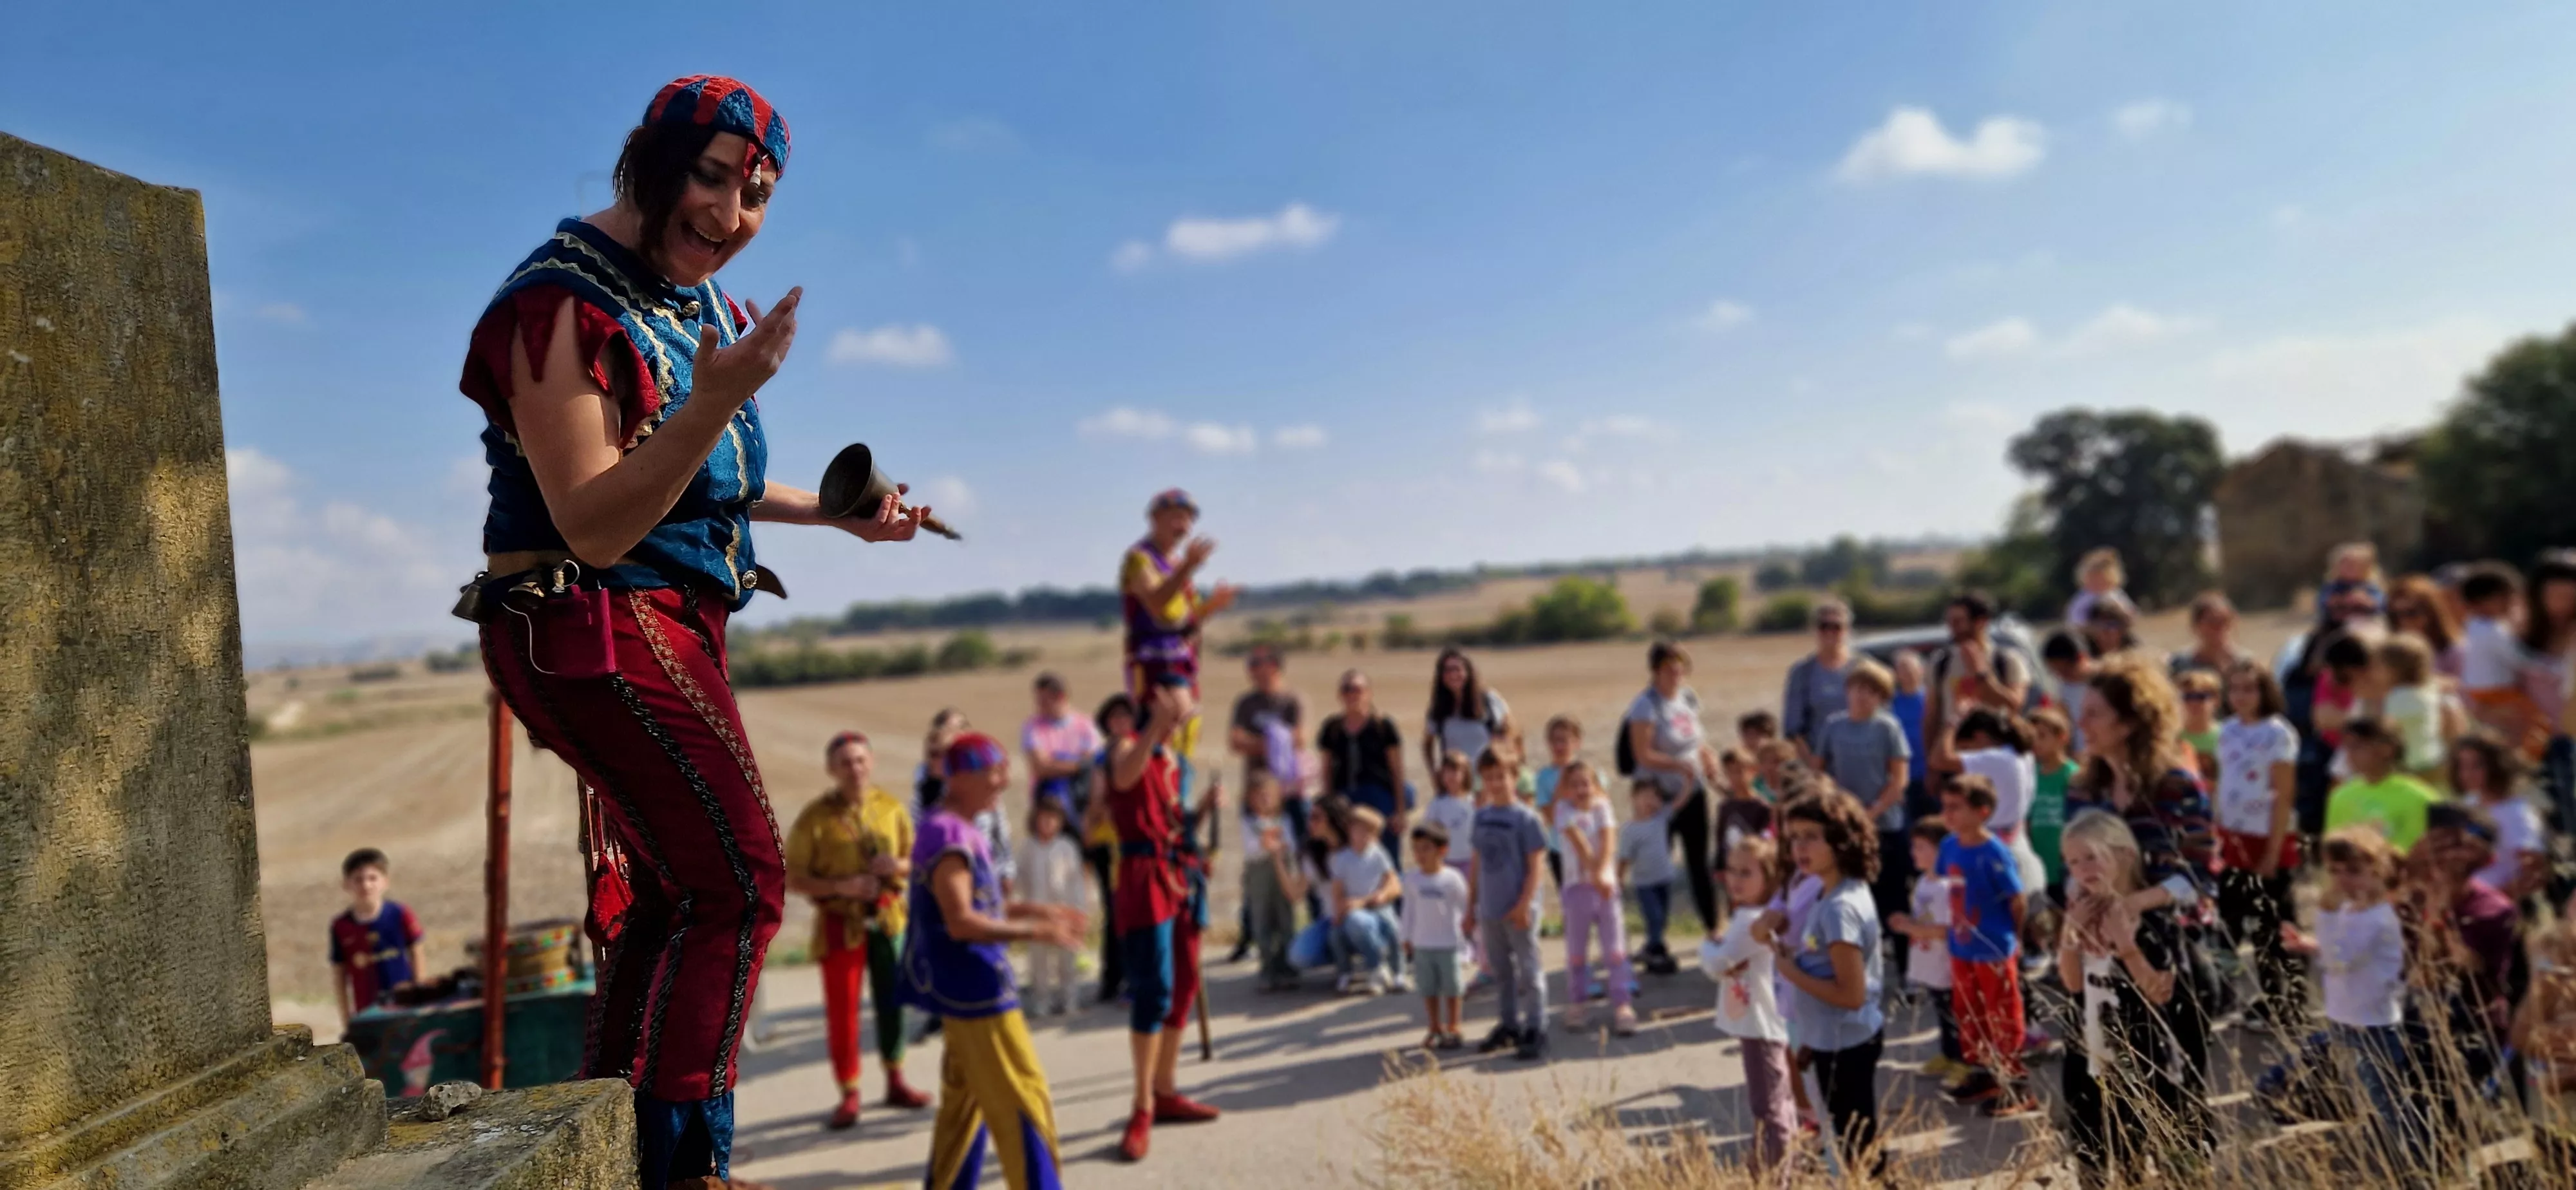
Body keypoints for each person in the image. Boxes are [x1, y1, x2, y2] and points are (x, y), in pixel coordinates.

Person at [459, 76, 933, 1188]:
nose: (731, 216)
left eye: (758, 194)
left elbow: (700, 485)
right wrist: (718, 398)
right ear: (651, 163)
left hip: (672, 618)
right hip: (590, 619)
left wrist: (840, 517)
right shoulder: (561, 305)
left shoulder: (708, 311)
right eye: (713, 179)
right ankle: (686, 1167)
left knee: (682, 893)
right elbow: (598, 516)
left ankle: (618, 1147)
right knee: (741, 884)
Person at [900, 733, 1080, 1190]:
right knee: (1022, 1095)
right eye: (993, 772)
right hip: (975, 989)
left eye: (1004, 769)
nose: (1004, 780)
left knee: (965, 1103)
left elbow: (985, 909)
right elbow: (961, 922)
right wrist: (1036, 932)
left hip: (968, 985)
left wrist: (1038, 911)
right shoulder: (946, 833)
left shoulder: (962, 826)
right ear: (959, 778)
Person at [1099, 686, 1222, 1162]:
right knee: (1154, 989)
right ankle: (1142, 1104)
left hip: (1180, 874)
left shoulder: (1176, 760)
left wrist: (1206, 811)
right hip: (1144, 878)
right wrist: (1153, 727)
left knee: (1186, 984)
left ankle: (1166, 1088)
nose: (1181, 717)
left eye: (1185, 710)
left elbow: (1177, 821)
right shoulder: (1127, 746)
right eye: (1175, 708)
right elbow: (1127, 780)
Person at [783, 732, 928, 1129]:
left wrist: (894, 867)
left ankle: (896, 1078)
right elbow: (793, 878)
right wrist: (841, 887)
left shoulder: (891, 808)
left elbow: (916, 860)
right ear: (832, 769)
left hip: (887, 920)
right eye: (845, 762)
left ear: (872, 762)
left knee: (893, 1002)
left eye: (861, 760)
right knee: (843, 1012)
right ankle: (850, 1093)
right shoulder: (816, 818)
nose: (855, 769)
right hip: (838, 923)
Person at [2056, 811, 2202, 1189]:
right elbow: (2073, 986)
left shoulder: (2153, 918)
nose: (2081, 868)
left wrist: (2126, 946)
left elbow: (2159, 992)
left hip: (2149, 1055)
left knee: (2172, 1156)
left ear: (2123, 855)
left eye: (2090, 856)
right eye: (2072, 861)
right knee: (2099, 1154)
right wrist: (2069, 937)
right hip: (2092, 1054)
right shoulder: (2081, 912)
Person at [2280, 827, 2424, 1180]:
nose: (2342, 880)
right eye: (2335, 871)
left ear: (2377, 870)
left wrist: (2325, 916)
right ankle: (2389, 1154)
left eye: (2353, 871)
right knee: (2368, 1093)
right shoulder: (2353, 909)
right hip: (2347, 1016)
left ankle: (2414, 1167)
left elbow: (2340, 959)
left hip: (2373, 1023)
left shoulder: (2377, 916)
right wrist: (2312, 944)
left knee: (2386, 1100)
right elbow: (2340, 952)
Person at [1771, 791, 1887, 1180]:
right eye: (1793, 837)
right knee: (1853, 1140)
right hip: (1831, 1039)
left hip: (1847, 1044)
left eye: (1811, 836)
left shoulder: (1840, 908)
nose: (1799, 847)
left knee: (1859, 1149)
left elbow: (1851, 995)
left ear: (1841, 839)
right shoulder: (1830, 889)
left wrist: (1791, 973)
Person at [1119, 488, 1240, 790]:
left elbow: (1188, 618)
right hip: (1153, 660)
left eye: (1188, 520)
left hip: (1181, 659)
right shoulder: (1139, 560)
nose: (1184, 527)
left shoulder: (1175, 563)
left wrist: (1212, 605)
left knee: (1185, 727)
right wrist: (1188, 567)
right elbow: (1157, 603)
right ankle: (1157, 789)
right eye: (1176, 518)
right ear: (1154, 519)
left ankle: (1177, 795)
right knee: (1168, 722)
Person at [1934, 775, 2036, 1115]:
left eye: (1956, 808)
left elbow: (2016, 899)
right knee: (1968, 1011)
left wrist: (2014, 938)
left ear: (1982, 812)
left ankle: (2015, 1082)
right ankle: (1983, 1073)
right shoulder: (1948, 846)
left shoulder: (1995, 852)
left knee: (2001, 1011)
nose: (1947, 815)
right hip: (1960, 946)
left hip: (1993, 947)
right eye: (1945, 807)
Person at [2213, 662, 2305, 1033]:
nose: (2241, 696)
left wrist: (2271, 851)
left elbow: (2283, 795)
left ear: (2264, 691)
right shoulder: (2228, 731)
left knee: (2272, 925)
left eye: (2249, 689)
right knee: (2231, 920)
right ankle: (2227, 994)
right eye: (2234, 689)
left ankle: (2285, 1003)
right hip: (2233, 836)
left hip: (2268, 837)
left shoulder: (2278, 734)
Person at [1022, 679, 1117, 1002]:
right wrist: (1077, 764)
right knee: (1053, 888)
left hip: (1086, 816)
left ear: (1061, 697)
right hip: (1052, 818)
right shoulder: (1032, 727)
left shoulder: (1084, 725)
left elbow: (1093, 765)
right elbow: (1040, 766)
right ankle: (1054, 961)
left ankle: (1091, 959)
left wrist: (1062, 765)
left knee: (1091, 890)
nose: (1040, 707)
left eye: (1045, 700)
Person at [1703, 836, 1792, 1176]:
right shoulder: (1753, 916)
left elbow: (1717, 963)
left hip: (1760, 1024)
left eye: (1746, 872)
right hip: (1761, 1020)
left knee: (1767, 1104)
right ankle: (1773, 1164)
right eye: (1731, 871)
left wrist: (1707, 946)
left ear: (1768, 879)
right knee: (1776, 1100)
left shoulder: (1747, 922)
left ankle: (1775, 1173)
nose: (1735, 880)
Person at [1814, 658, 1911, 959]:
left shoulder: (1888, 728)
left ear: (1881, 698)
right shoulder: (1833, 726)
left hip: (1884, 825)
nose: (1862, 696)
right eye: (1857, 688)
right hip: (1844, 825)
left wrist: (1872, 812)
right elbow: (1819, 772)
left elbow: (1899, 779)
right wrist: (1837, 803)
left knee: (1892, 894)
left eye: (1871, 691)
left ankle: (1907, 967)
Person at [1626, 641, 1722, 936]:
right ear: (1655, 671)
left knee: (1698, 863)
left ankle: (1713, 927)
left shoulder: (1688, 699)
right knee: (1657, 866)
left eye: (1680, 668)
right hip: (1659, 797)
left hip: (1693, 793)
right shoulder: (1645, 706)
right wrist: (1679, 766)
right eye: (1669, 669)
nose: (1676, 674)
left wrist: (1708, 758)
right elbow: (1642, 754)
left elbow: (1696, 739)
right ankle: (1657, 935)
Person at [1225, 644, 1307, 960]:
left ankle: (1293, 935)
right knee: (1255, 866)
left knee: (1294, 860)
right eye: (1251, 664)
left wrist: (1258, 743)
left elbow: (1299, 739)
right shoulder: (1245, 703)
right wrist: (1275, 742)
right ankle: (1250, 934)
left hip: (1287, 795)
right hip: (1254, 795)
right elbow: (1235, 742)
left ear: (1276, 666)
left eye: (1261, 664)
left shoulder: (1291, 700)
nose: (1255, 670)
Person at [1468, 748, 1551, 1061]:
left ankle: (1536, 1026)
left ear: (1514, 777)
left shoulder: (1526, 818)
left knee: (1529, 970)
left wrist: (1525, 904)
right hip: (1490, 909)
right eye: (1489, 778)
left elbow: (1536, 865)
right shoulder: (1482, 817)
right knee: (1501, 972)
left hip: (1518, 910)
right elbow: (1477, 863)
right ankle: (1508, 1023)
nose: (1495, 783)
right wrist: (1470, 906)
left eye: (1501, 776)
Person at [1552, 762, 1638, 1035]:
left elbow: (1608, 839)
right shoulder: (1563, 811)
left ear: (1595, 785)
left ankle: (1622, 1004)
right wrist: (1595, 872)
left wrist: (1603, 874)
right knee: (1577, 952)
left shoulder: (1603, 807)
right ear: (1566, 789)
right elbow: (1579, 842)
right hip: (1578, 889)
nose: (1581, 789)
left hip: (1605, 891)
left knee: (1614, 949)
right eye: (1574, 784)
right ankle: (1578, 1003)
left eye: (1585, 783)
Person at [1890, 819, 1965, 1088]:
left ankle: (1963, 1061)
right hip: (1929, 962)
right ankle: (1947, 1054)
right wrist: (1906, 922)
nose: (1914, 853)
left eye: (1921, 847)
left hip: (1946, 963)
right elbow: (1924, 918)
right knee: (1941, 1010)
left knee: (1954, 1013)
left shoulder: (1947, 887)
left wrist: (1914, 927)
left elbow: (1948, 930)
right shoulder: (1923, 882)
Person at [1926, 590, 2035, 775]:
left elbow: (2014, 706)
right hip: (1954, 761)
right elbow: (1931, 716)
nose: (1952, 628)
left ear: (1981, 622)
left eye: (1959, 622)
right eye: (1950, 622)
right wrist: (1932, 767)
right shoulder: (1941, 663)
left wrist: (1981, 675)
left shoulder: (2007, 661)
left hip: (1998, 761)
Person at [921, 709, 1015, 898]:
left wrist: (1006, 872)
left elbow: (1001, 836)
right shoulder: (938, 819)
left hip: (988, 877)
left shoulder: (981, 800)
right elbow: (961, 917)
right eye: (934, 755)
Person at [1318, 669, 1406, 865]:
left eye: (1357, 689)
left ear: (1368, 692)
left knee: (1386, 857)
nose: (1352, 695)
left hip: (1379, 797)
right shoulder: (1331, 728)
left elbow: (1397, 770)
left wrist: (1399, 810)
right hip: (1344, 799)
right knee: (1347, 855)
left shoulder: (1383, 726)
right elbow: (1326, 771)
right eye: (1347, 689)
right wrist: (1328, 807)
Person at [330, 848, 422, 1028]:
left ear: (385, 882)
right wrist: (346, 1017)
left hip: (403, 1006)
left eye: (373, 878)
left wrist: (419, 996)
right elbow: (339, 974)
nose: (366, 885)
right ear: (346, 884)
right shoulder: (341, 926)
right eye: (358, 879)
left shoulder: (400, 915)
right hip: (367, 1012)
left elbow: (417, 953)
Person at [2452, 735, 2547, 903]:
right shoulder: (2468, 803)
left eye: (2477, 766)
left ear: (2496, 766)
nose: (2467, 774)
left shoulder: (2517, 814)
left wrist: (2492, 901)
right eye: (2462, 766)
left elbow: (2535, 875)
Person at [1401, 823, 1471, 1050]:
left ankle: (1454, 1026)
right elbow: (1408, 910)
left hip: (1448, 943)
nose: (1420, 854)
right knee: (1428, 989)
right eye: (1416, 849)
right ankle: (1434, 1027)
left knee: (1452, 987)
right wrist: (1406, 936)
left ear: (1442, 850)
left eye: (1426, 848)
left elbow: (1466, 906)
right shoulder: (1412, 880)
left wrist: (1472, 934)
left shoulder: (1453, 879)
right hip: (1423, 944)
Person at [2325, 718, 2441, 853]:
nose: (2349, 755)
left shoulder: (2421, 797)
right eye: (2347, 747)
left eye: (2357, 746)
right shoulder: (2339, 796)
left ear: (2387, 749)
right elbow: (2332, 850)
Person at [1018, 798, 1086, 1017]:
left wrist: (1079, 910)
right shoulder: (1028, 848)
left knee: (1067, 960)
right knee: (1039, 962)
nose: (1048, 823)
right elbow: (1021, 879)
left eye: (1053, 819)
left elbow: (1076, 881)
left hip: (1065, 912)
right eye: (1043, 818)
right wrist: (1023, 908)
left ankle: (1069, 1000)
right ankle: (1041, 1002)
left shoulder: (1067, 847)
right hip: (1038, 913)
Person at [1327, 805, 1405, 994]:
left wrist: (1381, 894)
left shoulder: (1378, 854)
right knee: (1341, 931)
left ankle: (1398, 972)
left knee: (1394, 927)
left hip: (1377, 905)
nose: (1362, 836)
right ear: (1350, 831)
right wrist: (1339, 910)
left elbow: (1392, 880)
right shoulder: (1342, 859)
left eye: (1368, 831)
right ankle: (1357, 971)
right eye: (1358, 830)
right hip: (1354, 909)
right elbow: (1337, 891)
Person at [2527, 550, 2576, 835]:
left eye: (2569, 598)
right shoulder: (2519, 634)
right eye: (2553, 597)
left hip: (2569, 746)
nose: (2560, 606)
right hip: (2530, 746)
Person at [1240, 774, 1302, 991]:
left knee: (1286, 918)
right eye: (1259, 796)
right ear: (1250, 799)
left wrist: (1279, 847)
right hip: (1259, 876)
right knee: (1262, 920)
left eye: (1269, 795)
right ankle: (1268, 968)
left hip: (1283, 874)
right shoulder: (1249, 823)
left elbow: (1291, 846)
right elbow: (1251, 849)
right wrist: (1267, 845)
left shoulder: (1284, 821)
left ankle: (1288, 966)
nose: (1265, 799)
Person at [1782, 598, 1856, 759]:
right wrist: (1814, 767)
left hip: (1860, 760)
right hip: (1818, 762)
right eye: (1824, 626)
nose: (1830, 632)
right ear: (1815, 630)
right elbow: (1793, 730)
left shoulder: (1863, 669)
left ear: (1847, 630)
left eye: (1836, 627)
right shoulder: (1802, 672)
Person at [1619, 784, 1680, 976]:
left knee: (1662, 919)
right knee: (1653, 917)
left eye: (1654, 797)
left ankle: (1651, 946)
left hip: (1664, 878)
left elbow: (1680, 802)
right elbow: (1624, 858)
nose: (1649, 802)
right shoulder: (1630, 829)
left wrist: (1687, 781)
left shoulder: (1661, 819)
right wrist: (1618, 878)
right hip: (1645, 883)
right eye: (1644, 796)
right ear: (1633, 798)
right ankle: (1656, 952)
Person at [1424, 648, 1513, 775]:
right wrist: (1435, 775)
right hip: (1457, 784)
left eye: (1457, 669)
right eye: (1447, 670)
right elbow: (1428, 744)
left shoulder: (1489, 701)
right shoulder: (1438, 709)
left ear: (1468, 671)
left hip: (1488, 779)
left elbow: (1509, 733)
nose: (1453, 675)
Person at [2372, 634, 2447, 779]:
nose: (2375, 672)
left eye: (2380, 666)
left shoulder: (2399, 697)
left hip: (2413, 765)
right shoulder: (2427, 689)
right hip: (2435, 758)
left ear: (2394, 669)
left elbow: (2386, 730)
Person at [2027, 708, 2079, 895]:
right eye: (2032, 737)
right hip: (2039, 863)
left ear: (2062, 738)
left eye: (2042, 736)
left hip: (2064, 864)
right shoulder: (2030, 775)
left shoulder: (2073, 775)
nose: (2036, 743)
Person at [1533, 715, 1584, 890]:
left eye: (1564, 740)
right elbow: (1552, 818)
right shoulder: (1543, 777)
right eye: (1554, 741)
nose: (1559, 746)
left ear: (1577, 742)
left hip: (1588, 846)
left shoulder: (1588, 774)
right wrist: (1563, 779)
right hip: (1560, 849)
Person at [2387, 576, 2467, 680]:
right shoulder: (2389, 653)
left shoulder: (2456, 650)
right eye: (2395, 615)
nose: (2403, 621)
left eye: (2411, 613)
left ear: (2431, 612)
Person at [2170, 591, 2255, 680]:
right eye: (2212, 622)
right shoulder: (2180, 664)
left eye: (2224, 621)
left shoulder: (2245, 663)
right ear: (2196, 626)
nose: (2219, 628)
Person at [2176, 670, 2222, 784]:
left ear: (2216, 700)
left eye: (2200, 697)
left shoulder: (2228, 735)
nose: (2194, 703)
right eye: (2188, 697)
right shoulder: (2173, 737)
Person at [2066, 548, 2128, 632]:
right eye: (2094, 580)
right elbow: (2074, 619)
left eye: (2102, 581)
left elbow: (2130, 613)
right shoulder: (2083, 598)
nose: (2098, 584)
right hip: (2090, 633)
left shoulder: (2115, 595)